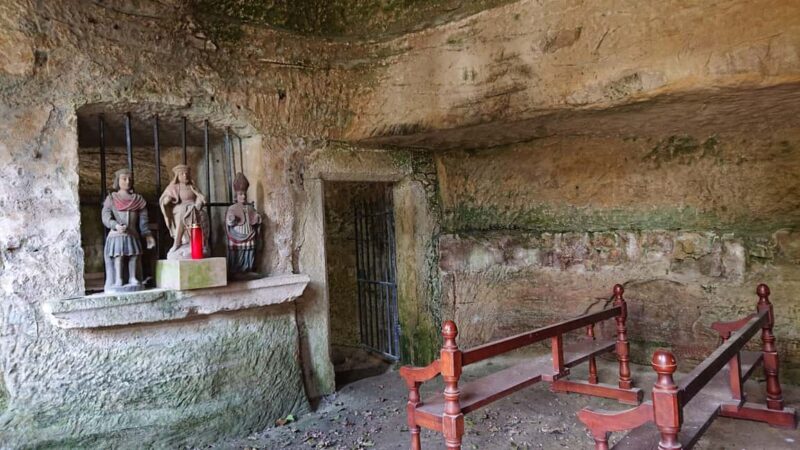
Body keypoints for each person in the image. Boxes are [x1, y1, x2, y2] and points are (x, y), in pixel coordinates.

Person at [102, 168, 155, 291]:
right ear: (118, 181)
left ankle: (133, 277)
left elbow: (143, 220)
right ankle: (118, 278)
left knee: (134, 256)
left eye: (130, 179)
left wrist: (147, 234)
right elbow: (105, 216)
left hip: (132, 234)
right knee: (118, 256)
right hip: (116, 234)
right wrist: (115, 225)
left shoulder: (138, 200)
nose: (127, 181)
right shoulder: (111, 198)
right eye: (124, 179)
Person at [159, 164, 208, 259]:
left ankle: (197, 244)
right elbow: (163, 201)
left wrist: (197, 199)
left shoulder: (192, 186)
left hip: (193, 207)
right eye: (182, 174)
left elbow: (202, 199)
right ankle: (177, 242)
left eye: (186, 173)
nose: (185, 175)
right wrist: (167, 200)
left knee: (199, 213)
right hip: (179, 208)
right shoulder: (173, 187)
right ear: (177, 176)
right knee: (182, 212)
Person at [225, 173, 261, 275]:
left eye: (245, 194)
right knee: (237, 252)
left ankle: (248, 268)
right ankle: (236, 270)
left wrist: (257, 218)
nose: (243, 196)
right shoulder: (232, 208)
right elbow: (229, 221)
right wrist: (231, 219)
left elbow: (255, 218)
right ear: (236, 195)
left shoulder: (250, 208)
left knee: (249, 251)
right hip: (237, 234)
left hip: (249, 233)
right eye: (241, 194)